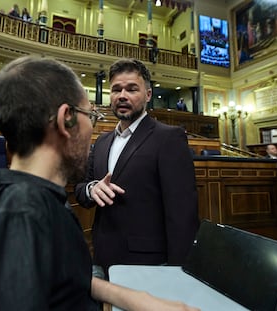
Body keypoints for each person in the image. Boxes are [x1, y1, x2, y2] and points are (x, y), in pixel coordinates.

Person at [0, 56, 200, 311]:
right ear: (66, 119)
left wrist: (123, 295)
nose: (93, 126)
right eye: (91, 116)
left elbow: (53, 272)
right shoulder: (29, 220)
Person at [74, 58, 199, 275]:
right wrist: (92, 188)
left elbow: (182, 214)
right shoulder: (102, 141)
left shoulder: (168, 138)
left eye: (132, 89)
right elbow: (81, 188)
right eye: (116, 89)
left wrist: (180, 272)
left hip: (149, 264)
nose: (122, 95)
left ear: (148, 95)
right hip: (102, 257)